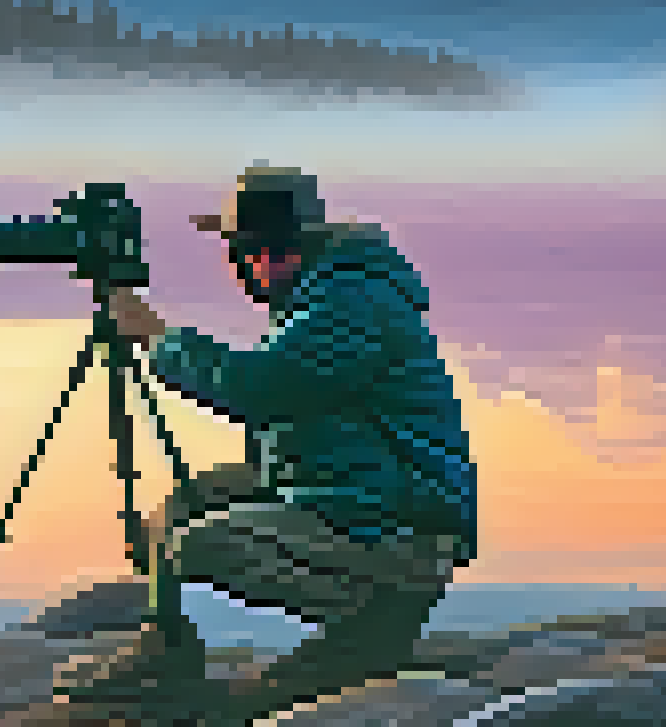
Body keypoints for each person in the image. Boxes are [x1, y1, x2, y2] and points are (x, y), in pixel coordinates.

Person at [61, 164, 479, 725]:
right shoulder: (321, 298)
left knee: (193, 547)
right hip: (355, 493)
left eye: (277, 250)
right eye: (249, 252)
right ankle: (167, 654)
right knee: (174, 511)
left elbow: (263, 388)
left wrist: (158, 340)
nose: (262, 265)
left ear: (311, 246)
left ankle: (374, 616)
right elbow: (300, 416)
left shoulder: (353, 300)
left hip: (399, 522)